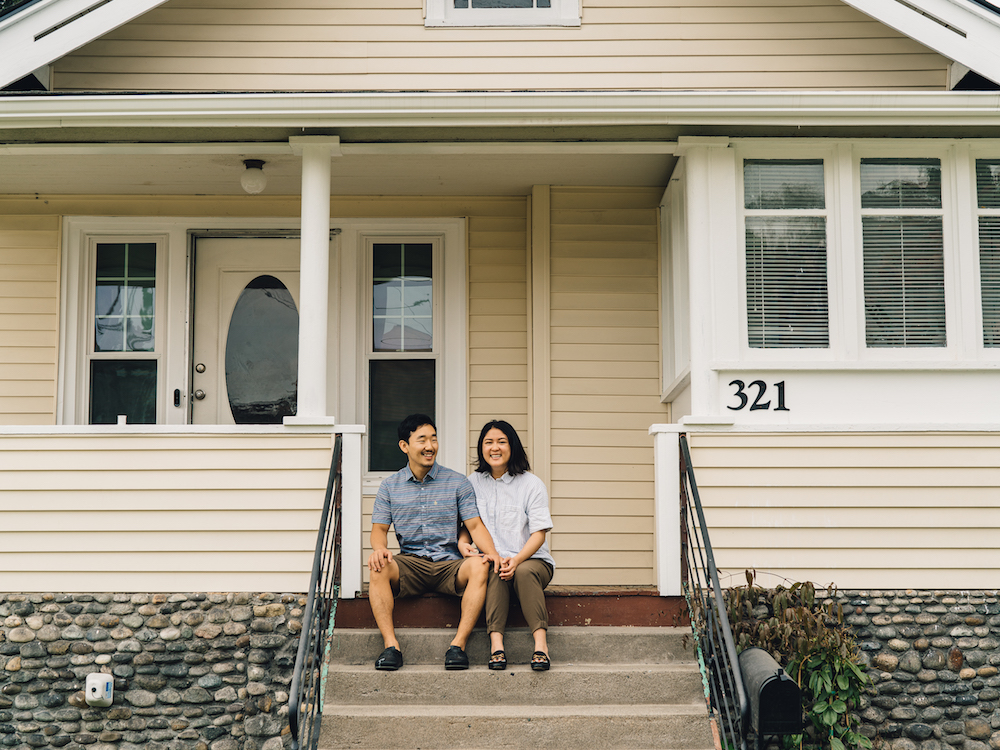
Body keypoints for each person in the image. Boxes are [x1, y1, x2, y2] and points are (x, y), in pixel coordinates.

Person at [367, 413, 501, 671]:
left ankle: (458, 646)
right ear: (405, 446)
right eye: (422, 440)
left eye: (434, 439)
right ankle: (391, 646)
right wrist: (379, 550)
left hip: (450, 564)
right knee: (378, 565)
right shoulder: (390, 486)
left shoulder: (457, 482)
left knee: (480, 565)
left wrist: (492, 552)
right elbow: (379, 529)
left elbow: (474, 525)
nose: (430, 446)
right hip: (410, 565)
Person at [459, 419, 555, 671]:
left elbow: (539, 534)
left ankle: (541, 646)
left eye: (502, 441)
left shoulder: (531, 484)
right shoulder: (472, 483)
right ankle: (496, 646)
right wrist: (463, 543)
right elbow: (467, 525)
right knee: (492, 568)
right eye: (488, 442)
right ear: (481, 448)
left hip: (532, 562)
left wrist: (517, 559)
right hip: (494, 561)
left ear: (512, 446)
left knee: (521, 572)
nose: (495, 448)